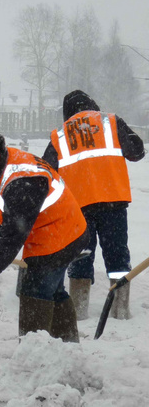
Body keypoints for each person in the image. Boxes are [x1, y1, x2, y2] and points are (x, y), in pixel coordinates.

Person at [0, 129, 89, 342]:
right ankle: (67, 345)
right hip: (52, 230)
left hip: (60, 235)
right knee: (53, 289)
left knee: (34, 292)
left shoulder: (23, 181)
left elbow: (14, 234)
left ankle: (32, 353)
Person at [42, 90, 145, 320]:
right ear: (92, 104)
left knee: (80, 255)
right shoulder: (110, 121)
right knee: (117, 255)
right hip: (113, 202)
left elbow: (47, 173)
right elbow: (137, 152)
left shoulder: (59, 135)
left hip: (78, 208)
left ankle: (78, 311)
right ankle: (121, 309)